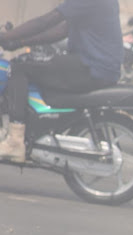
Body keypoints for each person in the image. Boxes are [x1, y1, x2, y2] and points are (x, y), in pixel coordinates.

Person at [0, 0, 123, 163]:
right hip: (96, 66)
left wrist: (7, 36)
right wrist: (20, 42)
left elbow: (45, 21)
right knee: (30, 62)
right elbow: (62, 30)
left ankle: (15, 140)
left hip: (91, 67)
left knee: (18, 67)